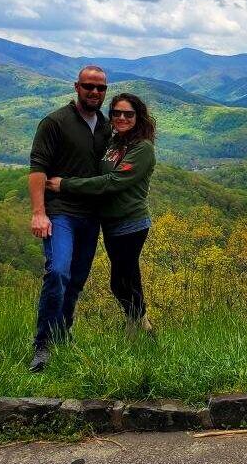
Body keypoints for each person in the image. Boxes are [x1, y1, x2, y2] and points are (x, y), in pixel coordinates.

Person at [46, 91, 156, 333]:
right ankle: (138, 324)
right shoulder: (116, 142)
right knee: (124, 280)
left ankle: (141, 326)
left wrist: (65, 184)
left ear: (138, 116)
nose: (122, 117)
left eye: (128, 113)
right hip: (110, 223)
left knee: (122, 279)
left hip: (131, 223)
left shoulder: (142, 148)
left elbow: (111, 182)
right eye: (116, 113)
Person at [27, 65, 110, 373]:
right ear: (76, 87)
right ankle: (43, 345)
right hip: (60, 212)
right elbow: (37, 171)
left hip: (92, 216)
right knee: (58, 271)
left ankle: (62, 335)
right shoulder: (54, 123)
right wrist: (39, 213)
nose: (95, 92)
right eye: (89, 86)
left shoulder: (104, 125)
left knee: (75, 280)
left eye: (100, 88)